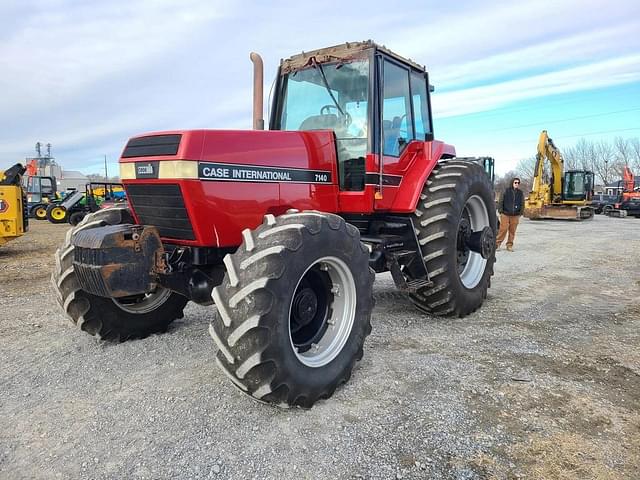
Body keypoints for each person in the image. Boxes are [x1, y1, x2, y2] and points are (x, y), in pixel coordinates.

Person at [496, 177, 524, 251]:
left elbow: (522, 203)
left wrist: (520, 212)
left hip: (515, 215)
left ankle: (509, 245)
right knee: (503, 229)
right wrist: (500, 211)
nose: (517, 184)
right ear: (512, 183)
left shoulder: (520, 193)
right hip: (505, 214)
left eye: (518, 183)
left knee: (512, 231)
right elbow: (501, 201)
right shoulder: (506, 191)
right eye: (515, 182)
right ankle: (497, 244)